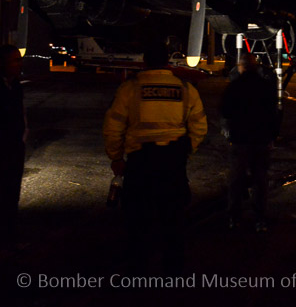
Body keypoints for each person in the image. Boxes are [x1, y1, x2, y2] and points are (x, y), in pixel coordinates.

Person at [102, 41, 207, 274]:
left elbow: (113, 127)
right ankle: (173, 271)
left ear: (144, 61)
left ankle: (139, 270)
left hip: (140, 164)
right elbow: (200, 126)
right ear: (167, 62)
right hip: (173, 164)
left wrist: (116, 157)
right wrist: (186, 151)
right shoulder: (186, 89)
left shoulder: (130, 89)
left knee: (138, 221)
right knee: (174, 220)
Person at [220, 53, 279, 232]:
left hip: (240, 139)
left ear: (241, 67)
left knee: (236, 178)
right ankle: (259, 218)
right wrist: (272, 136)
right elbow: (274, 114)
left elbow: (225, 110)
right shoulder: (266, 86)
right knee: (260, 179)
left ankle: (234, 217)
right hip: (261, 139)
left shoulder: (234, 86)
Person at [0, 45, 26, 253]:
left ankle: (10, 239)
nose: (19, 64)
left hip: (14, 149)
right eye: (15, 60)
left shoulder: (16, 86)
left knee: (11, 195)